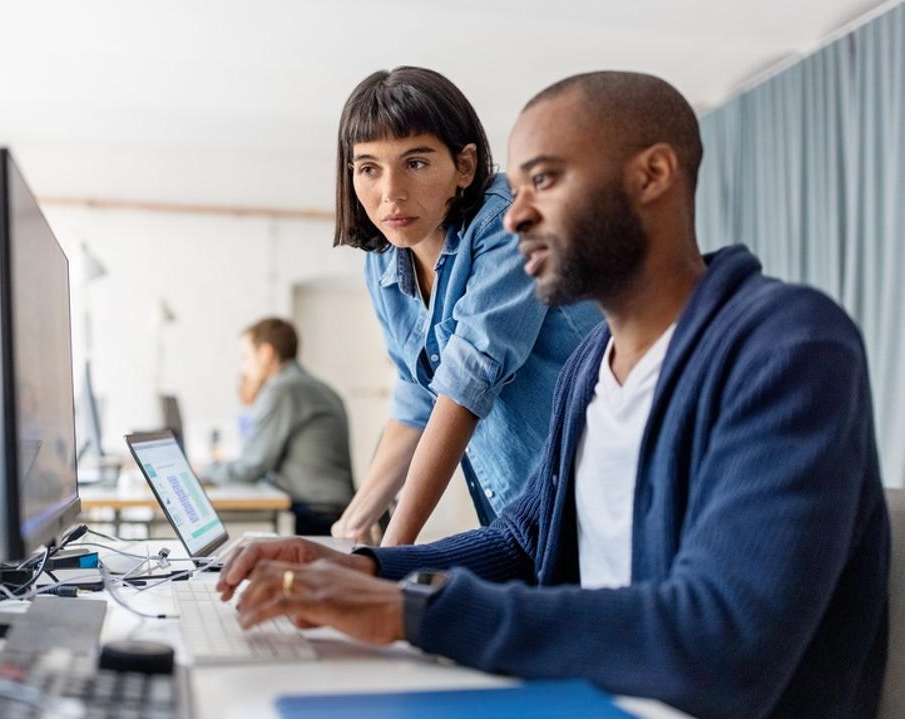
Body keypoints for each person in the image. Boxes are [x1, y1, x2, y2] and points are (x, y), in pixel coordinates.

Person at [216, 71, 890, 719]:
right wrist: (363, 565)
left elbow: (722, 642)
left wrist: (412, 610)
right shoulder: (590, 365)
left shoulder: (787, 346)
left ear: (651, 175)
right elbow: (519, 541)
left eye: (541, 179)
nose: (513, 216)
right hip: (593, 689)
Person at [330, 66, 602, 545]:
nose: (390, 192)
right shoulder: (383, 260)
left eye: (415, 163)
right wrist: (352, 527)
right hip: (521, 515)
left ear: (465, 166)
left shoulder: (510, 224)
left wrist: (390, 554)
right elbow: (418, 399)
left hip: (596, 497)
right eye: (369, 168)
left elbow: (466, 381)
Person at [205, 318, 354, 535]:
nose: (243, 368)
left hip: (317, 512)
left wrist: (204, 472)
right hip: (332, 507)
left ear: (266, 353)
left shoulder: (283, 389)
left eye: (245, 357)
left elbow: (252, 466)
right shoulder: (311, 385)